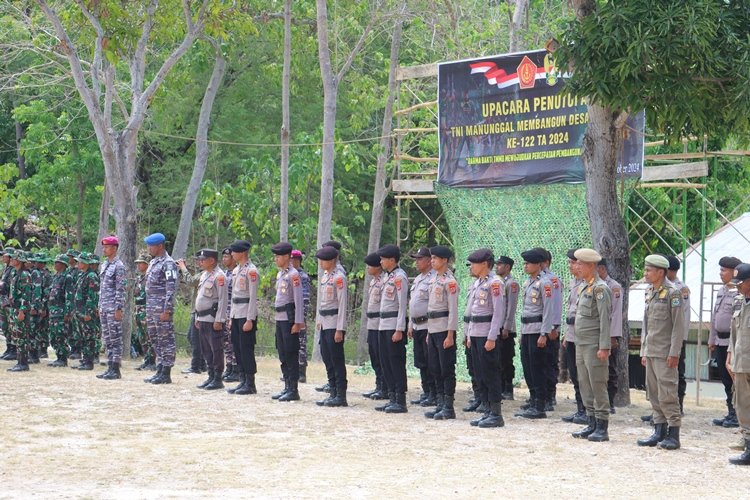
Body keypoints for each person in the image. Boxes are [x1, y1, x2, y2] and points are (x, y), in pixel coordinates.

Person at [637, 254, 686, 450]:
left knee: (667, 392)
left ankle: (673, 433)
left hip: (666, 352)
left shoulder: (673, 294)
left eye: (649, 270)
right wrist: (643, 350)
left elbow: (678, 327)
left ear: (660, 272)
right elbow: (646, 324)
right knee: (654, 393)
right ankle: (659, 430)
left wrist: (674, 353)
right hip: (651, 350)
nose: (645, 273)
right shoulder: (650, 292)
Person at [570, 248, 612, 442]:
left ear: (592, 265)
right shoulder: (584, 287)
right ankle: (591, 422)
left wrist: (604, 346)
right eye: (576, 263)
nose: (576, 266)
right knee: (584, 383)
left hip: (594, 344)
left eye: (580, 263)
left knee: (597, 383)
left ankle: (602, 426)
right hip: (581, 343)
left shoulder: (600, 288)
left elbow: (605, 320)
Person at [465, 248, 506, 428]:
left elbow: (498, 312)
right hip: (475, 333)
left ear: (484, 264)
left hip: (486, 335)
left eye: (474, 263)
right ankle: (487, 409)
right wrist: (469, 334)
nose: (471, 267)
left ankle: (496, 414)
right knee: (480, 373)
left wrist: (492, 337)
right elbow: (473, 312)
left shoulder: (495, 283)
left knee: (491, 373)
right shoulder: (478, 283)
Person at [516, 249, 554, 419]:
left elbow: (548, 310)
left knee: (538, 367)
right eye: (524, 263)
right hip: (527, 329)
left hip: (538, 329)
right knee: (528, 366)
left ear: (538, 265)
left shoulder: (545, 283)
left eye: (528, 263)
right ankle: (533, 399)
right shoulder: (528, 283)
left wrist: (544, 333)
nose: (525, 266)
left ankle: (540, 404)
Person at [424, 245, 459, 420]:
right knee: (435, 368)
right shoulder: (433, 280)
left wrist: (450, 334)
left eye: (435, 259)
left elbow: (453, 310)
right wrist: (429, 332)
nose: (432, 261)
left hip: (445, 329)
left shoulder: (449, 282)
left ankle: (448, 406)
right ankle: (439, 403)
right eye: (431, 258)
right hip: (433, 328)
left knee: (446, 369)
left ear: (444, 260)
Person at [376, 244, 409, 414]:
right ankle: (392, 397)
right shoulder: (386, 277)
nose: (380, 261)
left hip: (393, 326)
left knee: (395, 362)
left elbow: (402, 305)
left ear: (392, 260)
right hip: (383, 325)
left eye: (383, 259)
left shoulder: (399, 277)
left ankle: (400, 399)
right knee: (386, 362)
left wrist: (399, 329)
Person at [314, 246, 349, 407]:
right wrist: (319, 320)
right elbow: (323, 302)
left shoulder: (339, 277)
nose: (321, 263)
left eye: (323, 260)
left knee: (336, 360)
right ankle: (333, 391)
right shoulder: (325, 277)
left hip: (334, 323)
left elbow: (342, 305)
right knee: (327, 357)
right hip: (325, 323)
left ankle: (341, 395)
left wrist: (340, 329)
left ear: (332, 260)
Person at [271, 242, 305, 402]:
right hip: (280, 318)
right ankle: (286, 385)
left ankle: (293, 389)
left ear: (286, 257)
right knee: (282, 353)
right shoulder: (281, 275)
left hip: (289, 320)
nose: (276, 259)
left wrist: (298, 322)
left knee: (291, 354)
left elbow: (298, 300)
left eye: (278, 256)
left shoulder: (293, 275)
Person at [710, 256, 742, 428]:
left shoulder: (740, 292)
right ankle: (731, 412)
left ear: (734, 272)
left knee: (736, 379)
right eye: (721, 270)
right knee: (724, 378)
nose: (721, 273)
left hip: (734, 343)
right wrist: (711, 338)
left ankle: (738, 413)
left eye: (724, 270)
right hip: (720, 341)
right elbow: (715, 316)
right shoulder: (722, 290)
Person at [142, 233, 178, 385]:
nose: (149, 248)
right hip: (151, 308)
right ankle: (159, 369)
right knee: (155, 339)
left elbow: (171, 288)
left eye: (151, 246)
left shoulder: (168, 263)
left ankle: (166, 372)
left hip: (162, 308)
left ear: (160, 246)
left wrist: (167, 310)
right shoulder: (154, 262)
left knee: (166, 340)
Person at [192, 249, 228, 391]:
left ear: (212, 260)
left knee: (216, 349)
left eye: (203, 259)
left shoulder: (220, 277)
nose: (200, 262)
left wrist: (219, 319)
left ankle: (218, 378)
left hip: (213, 319)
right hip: (202, 317)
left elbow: (223, 300)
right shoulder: (205, 275)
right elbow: (199, 298)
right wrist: (197, 316)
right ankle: (210, 375)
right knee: (206, 349)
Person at [226, 240, 259, 395]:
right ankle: (242, 380)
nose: (232, 254)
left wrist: (250, 319)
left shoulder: (251, 271)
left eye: (234, 251)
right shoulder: (236, 270)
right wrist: (231, 316)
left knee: (246, 348)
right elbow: (233, 296)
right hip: (236, 312)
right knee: (237, 348)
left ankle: (250, 383)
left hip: (246, 313)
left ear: (242, 253)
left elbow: (253, 297)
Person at [727, 262, 750, 465]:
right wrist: (730, 357)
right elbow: (735, 334)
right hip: (742, 363)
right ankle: (748, 444)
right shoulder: (739, 302)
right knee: (742, 404)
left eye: (740, 283)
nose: (737, 287)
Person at [561, 249, 587, 425]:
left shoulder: (589, 284)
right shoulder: (573, 283)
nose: (570, 265)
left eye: (573, 262)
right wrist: (565, 333)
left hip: (584, 334)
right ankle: (580, 408)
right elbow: (569, 310)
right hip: (571, 332)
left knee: (584, 374)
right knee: (574, 373)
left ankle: (587, 410)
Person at [408, 246, 436, 406]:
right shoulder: (418, 279)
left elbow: (433, 306)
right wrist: (411, 324)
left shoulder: (433, 278)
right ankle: (426, 392)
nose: (417, 262)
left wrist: (430, 328)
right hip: (417, 325)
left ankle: (433, 393)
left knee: (430, 361)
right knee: (420, 361)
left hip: (428, 325)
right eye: (416, 259)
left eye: (419, 259)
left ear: (428, 260)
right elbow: (413, 304)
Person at [97, 236, 127, 380]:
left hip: (113, 308)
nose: (104, 249)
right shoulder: (105, 265)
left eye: (107, 247)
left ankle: (116, 368)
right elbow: (102, 288)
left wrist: (118, 308)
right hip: (104, 306)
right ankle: (110, 367)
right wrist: (99, 305)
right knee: (107, 338)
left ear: (114, 248)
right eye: (104, 247)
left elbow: (120, 289)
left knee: (115, 338)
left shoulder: (119, 266)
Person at [597, 259, 624, 414]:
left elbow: (615, 313)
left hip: (609, 333)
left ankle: (610, 401)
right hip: (597, 332)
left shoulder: (613, 286)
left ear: (601, 268)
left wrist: (613, 336)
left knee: (611, 368)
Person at [666, 255, 691, 413]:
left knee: (678, 372)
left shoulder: (681, 289)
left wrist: (680, 338)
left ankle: (678, 405)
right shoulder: (661, 287)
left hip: (677, 337)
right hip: (662, 338)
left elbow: (684, 316)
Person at [176, 254, 206, 375]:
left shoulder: (205, 274)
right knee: (192, 337)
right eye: (198, 261)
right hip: (196, 309)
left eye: (200, 261)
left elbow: (191, 281)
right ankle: (202, 363)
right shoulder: (202, 273)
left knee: (195, 339)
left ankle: (195, 366)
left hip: (200, 311)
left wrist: (183, 268)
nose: (199, 263)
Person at [362, 252, 387, 399]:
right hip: (372, 323)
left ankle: (384, 386)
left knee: (380, 355)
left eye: (370, 266)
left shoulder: (384, 281)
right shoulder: (373, 282)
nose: (367, 269)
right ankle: (379, 384)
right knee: (374, 355)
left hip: (380, 323)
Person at [71, 252, 100, 371]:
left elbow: (92, 296)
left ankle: (89, 362)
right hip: (79, 311)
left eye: (80, 261)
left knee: (89, 337)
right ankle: (85, 359)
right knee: (82, 336)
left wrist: (88, 312)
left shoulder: (91, 276)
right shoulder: (82, 275)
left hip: (86, 312)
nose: (78, 263)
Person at [495, 255, 518, 400]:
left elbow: (511, 306)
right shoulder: (498, 282)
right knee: (498, 359)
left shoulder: (511, 283)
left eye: (500, 264)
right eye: (496, 264)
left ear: (507, 267)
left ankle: (508, 388)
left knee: (506, 359)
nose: (497, 266)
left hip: (506, 329)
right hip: (497, 327)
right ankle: (501, 386)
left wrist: (507, 326)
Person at [7, 251, 32, 372]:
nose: (11, 260)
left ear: (20, 261)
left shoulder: (24, 275)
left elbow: (26, 295)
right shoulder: (15, 273)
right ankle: (19, 361)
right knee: (16, 336)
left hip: (20, 310)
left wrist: (22, 311)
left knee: (22, 336)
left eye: (14, 258)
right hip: (14, 309)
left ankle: (23, 363)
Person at [47, 254, 71, 367]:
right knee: (53, 335)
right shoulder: (55, 276)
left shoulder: (67, 277)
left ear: (63, 264)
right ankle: (58, 356)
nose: (55, 264)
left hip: (61, 311)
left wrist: (67, 312)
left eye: (58, 262)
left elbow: (69, 296)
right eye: (55, 262)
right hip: (53, 311)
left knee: (60, 334)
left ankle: (63, 358)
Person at [291, 249, 311, 383]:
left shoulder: (302, 276)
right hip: (289, 313)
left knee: (301, 343)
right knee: (291, 343)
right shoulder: (288, 275)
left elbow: (304, 298)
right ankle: (292, 371)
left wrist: (301, 317)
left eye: (293, 259)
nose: (291, 262)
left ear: (298, 260)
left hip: (299, 314)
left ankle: (301, 372)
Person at [133, 253, 155, 371]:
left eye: (140, 263)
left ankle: (152, 361)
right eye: (137, 263)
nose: (138, 265)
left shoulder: (150, 278)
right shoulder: (139, 278)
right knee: (142, 337)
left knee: (149, 336)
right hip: (138, 310)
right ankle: (147, 360)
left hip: (147, 310)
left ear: (147, 264)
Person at [220, 248, 239, 381]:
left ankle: (236, 368)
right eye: (223, 257)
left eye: (227, 257)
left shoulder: (237, 273)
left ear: (233, 258)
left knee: (234, 341)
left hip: (234, 310)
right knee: (226, 342)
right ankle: (229, 367)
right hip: (224, 311)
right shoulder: (225, 273)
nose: (224, 259)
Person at [0, 248, 18, 361]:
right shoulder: (6, 269)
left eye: (5, 256)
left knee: (11, 327)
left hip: (8, 303)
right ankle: (9, 347)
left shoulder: (12, 270)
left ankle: (13, 349)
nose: (3, 257)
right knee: (5, 326)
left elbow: (11, 287)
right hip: (3, 302)